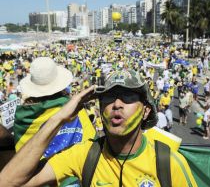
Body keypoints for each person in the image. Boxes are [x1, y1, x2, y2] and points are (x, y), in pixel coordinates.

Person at [0, 69, 197, 187]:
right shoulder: (84, 155)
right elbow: (7, 182)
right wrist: (59, 117)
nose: (116, 104)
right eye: (109, 97)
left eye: (127, 97)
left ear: (145, 111)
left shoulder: (168, 163)